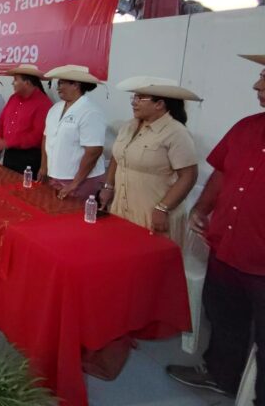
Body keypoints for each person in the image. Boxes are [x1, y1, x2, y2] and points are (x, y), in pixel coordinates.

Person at [166, 54, 265, 400]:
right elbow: (222, 172)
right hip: (227, 248)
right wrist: (203, 206)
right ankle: (222, 376)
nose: (257, 85)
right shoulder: (246, 127)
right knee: (224, 319)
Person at [100, 76, 200, 244]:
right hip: (122, 209)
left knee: (149, 262)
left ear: (159, 104)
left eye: (140, 98)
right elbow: (118, 157)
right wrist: (108, 186)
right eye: (134, 97)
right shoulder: (128, 126)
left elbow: (189, 176)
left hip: (152, 213)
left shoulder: (176, 132)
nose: (134, 102)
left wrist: (163, 208)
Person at [40, 65, 106, 200]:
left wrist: (75, 183)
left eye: (61, 83)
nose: (58, 87)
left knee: (73, 217)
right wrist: (44, 167)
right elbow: (46, 138)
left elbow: (93, 151)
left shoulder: (90, 111)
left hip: (80, 181)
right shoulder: (55, 109)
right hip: (55, 176)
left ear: (76, 85)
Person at [0, 64, 52, 175]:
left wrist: (8, 142)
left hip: (28, 157)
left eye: (15, 80)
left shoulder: (43, 103)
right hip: (9, 154)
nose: (12, 83)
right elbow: (1, 121)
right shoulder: (13, 98)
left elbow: (37, 136)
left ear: (27, 83)